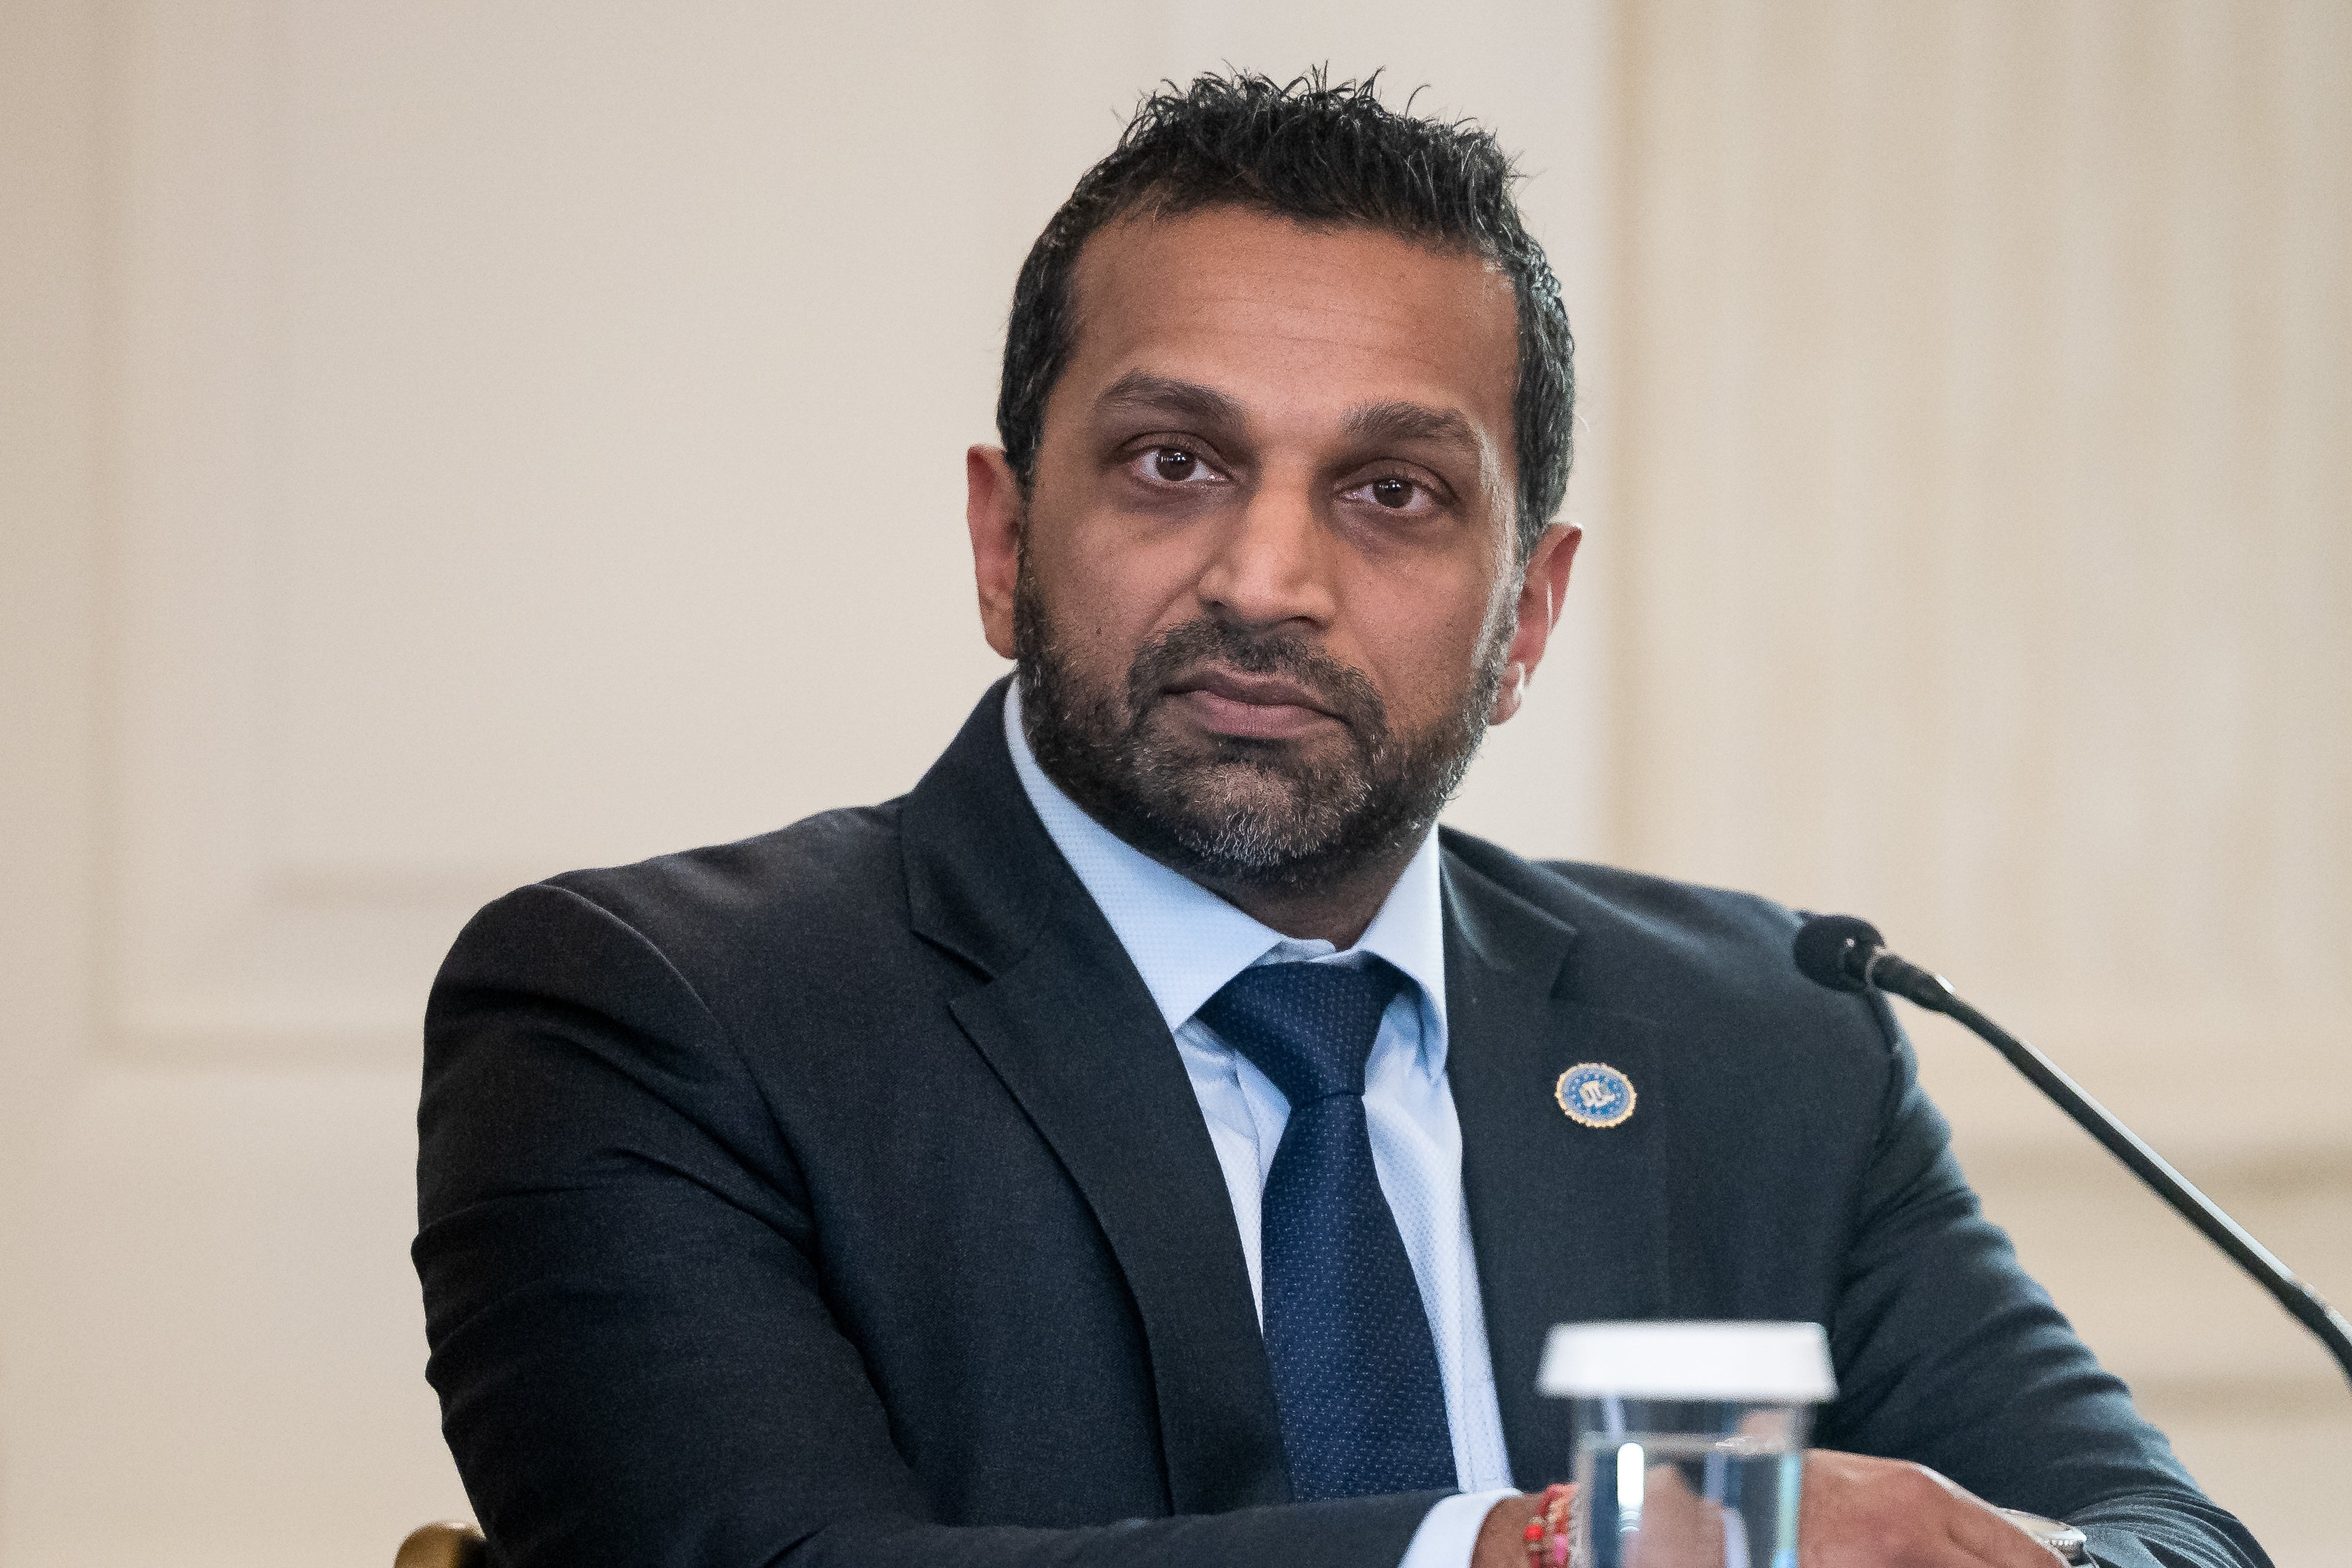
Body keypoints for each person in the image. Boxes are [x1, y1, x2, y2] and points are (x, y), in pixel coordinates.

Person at [413, 72, 2266, 1568]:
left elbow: (2171, 1536)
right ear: (1001, 537)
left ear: (1526, 616)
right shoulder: (656, 1017)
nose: (1269, 573)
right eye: (1174, 461)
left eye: (1391, 490)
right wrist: (1545, 1550)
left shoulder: (1769, 1037)